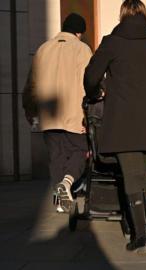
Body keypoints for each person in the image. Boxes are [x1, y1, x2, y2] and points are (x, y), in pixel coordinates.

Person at [83, 0, 146, 252]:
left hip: (123, 119)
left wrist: (98, 92)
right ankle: (137, 223)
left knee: (131, 176)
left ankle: (141, 233)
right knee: (138, 175)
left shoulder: (111, 42)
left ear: (122, 15)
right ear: (144, 15)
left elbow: (91, 77)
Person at [22, 13, 92, 213]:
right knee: (80, 151)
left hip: (49, 115)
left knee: (56, 157)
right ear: (79, 32)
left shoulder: (43, 49)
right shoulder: (82, 49)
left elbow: (31, 84)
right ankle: (67, 183)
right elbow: (88, 82)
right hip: (74, 114)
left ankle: (61, 200)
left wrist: (29, 109)